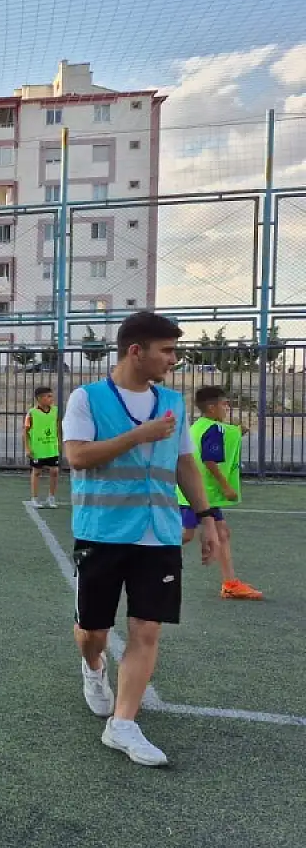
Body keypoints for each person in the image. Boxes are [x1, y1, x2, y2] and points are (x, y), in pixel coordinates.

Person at [63, 311, 219, 768]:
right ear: (137, 351)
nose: (174, 359)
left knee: (146, 628)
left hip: (160, 535)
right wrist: (139, 435)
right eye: (167, 351)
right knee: (93, 631)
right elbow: (77, 456)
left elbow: (185, 464)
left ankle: (123, 724)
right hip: (102, 532)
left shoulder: (172, 401)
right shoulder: (87, 398)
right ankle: (94, 669)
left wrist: (207, 517)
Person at [177, 385, 262, 600]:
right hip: (198, 494)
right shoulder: (214, 429)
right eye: (225, 404)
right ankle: (142, 558)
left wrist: (239, 431)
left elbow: (216, 444)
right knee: (186, 535)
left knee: (222, 533)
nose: (227, 407)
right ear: (213, 407)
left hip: (201, 494)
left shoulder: (200, 426)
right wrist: (226, 486)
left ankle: (230, 583)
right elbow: (210, 461)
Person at [25, 386, 61, 508]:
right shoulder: (32, 413)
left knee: (55, 471)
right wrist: (27, 448)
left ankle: (51, 498)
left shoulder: (55, 410)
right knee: (37, 472)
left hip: (51, 447)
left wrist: (59, 442)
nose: (51, 398)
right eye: (48, 396)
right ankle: (35, 498)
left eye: (51, 396)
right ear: (39, 398)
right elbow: (25, 432)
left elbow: (58, 427)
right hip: (38, 449)